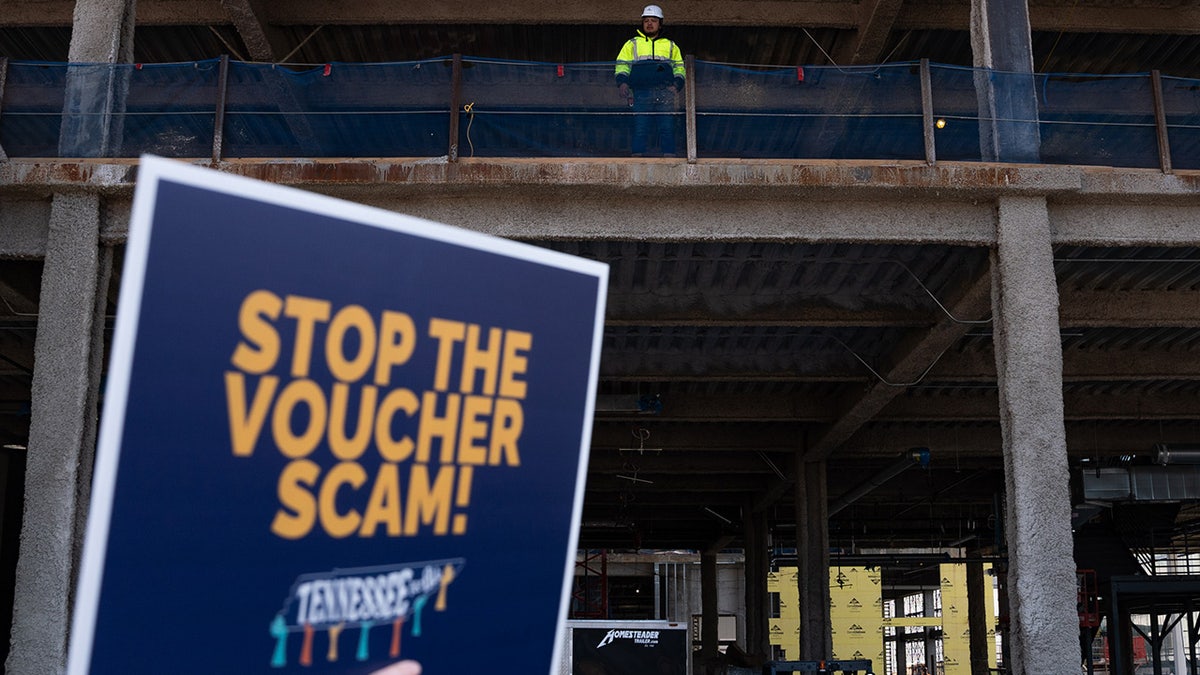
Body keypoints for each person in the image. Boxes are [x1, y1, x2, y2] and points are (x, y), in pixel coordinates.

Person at [614, 4, 686, 157]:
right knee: (640, 126)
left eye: (653, 20)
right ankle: (637, 158)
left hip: (665, 92)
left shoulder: (671, 45)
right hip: (640, 93)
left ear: (660, 24)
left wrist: (676, 86)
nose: (649, 23)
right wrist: (622, 82)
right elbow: (622, 66)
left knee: (666, 127)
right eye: (646, 20)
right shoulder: (632, 44)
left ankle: (669, 158)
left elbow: (679, 68)